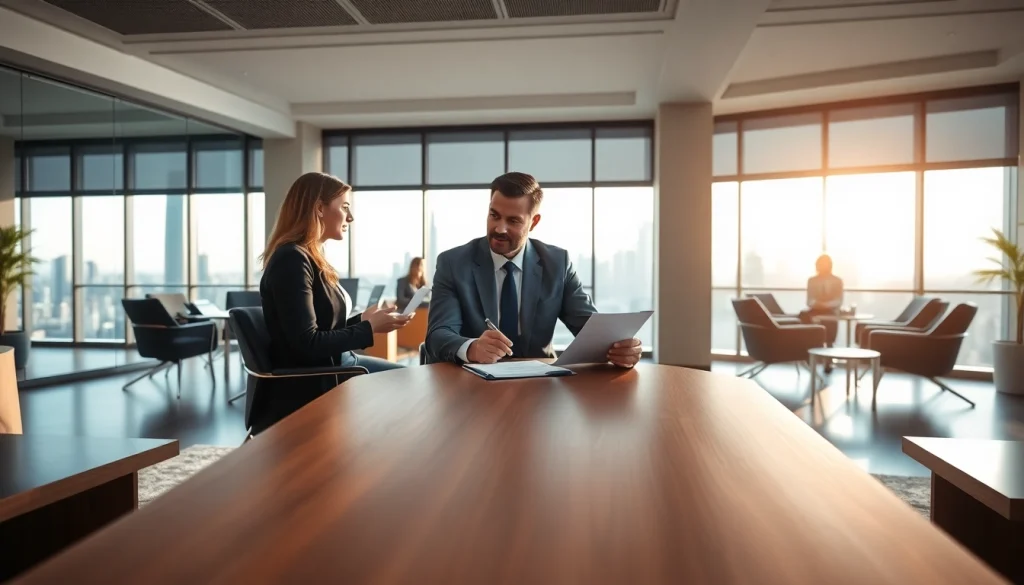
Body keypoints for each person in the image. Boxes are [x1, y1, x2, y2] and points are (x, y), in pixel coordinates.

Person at [425, 172, 642, 367]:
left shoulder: (557, 263)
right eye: (494, 215)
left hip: (541, 384)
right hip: (472, 382)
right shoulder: (453, 263)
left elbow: (592, 333)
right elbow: (438, 335)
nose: (500, 228)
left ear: (534, 222)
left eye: (513, 221)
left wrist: (622, 349)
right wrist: (471, 348)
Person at [257, 172, 413, 433]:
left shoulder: (309, 258)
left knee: (411, 381)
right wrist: (368, 328)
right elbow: (307, 344)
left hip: (341, 363)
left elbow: (321, 329)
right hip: (319, 377)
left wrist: (363, 321)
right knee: (409, 385)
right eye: (344, 207)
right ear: (319, 208)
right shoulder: (292, 261)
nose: (350, 218)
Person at [801, 254, 843, 370]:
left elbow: (838, 300)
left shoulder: (837, 281)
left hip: (831, 311)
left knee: (830, 320)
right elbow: (809, 300)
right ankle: (809, 354)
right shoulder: (812, 280)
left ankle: (828, 358)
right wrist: (818, 304)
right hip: (815, 310)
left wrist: (826, 305)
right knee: (805, 317)